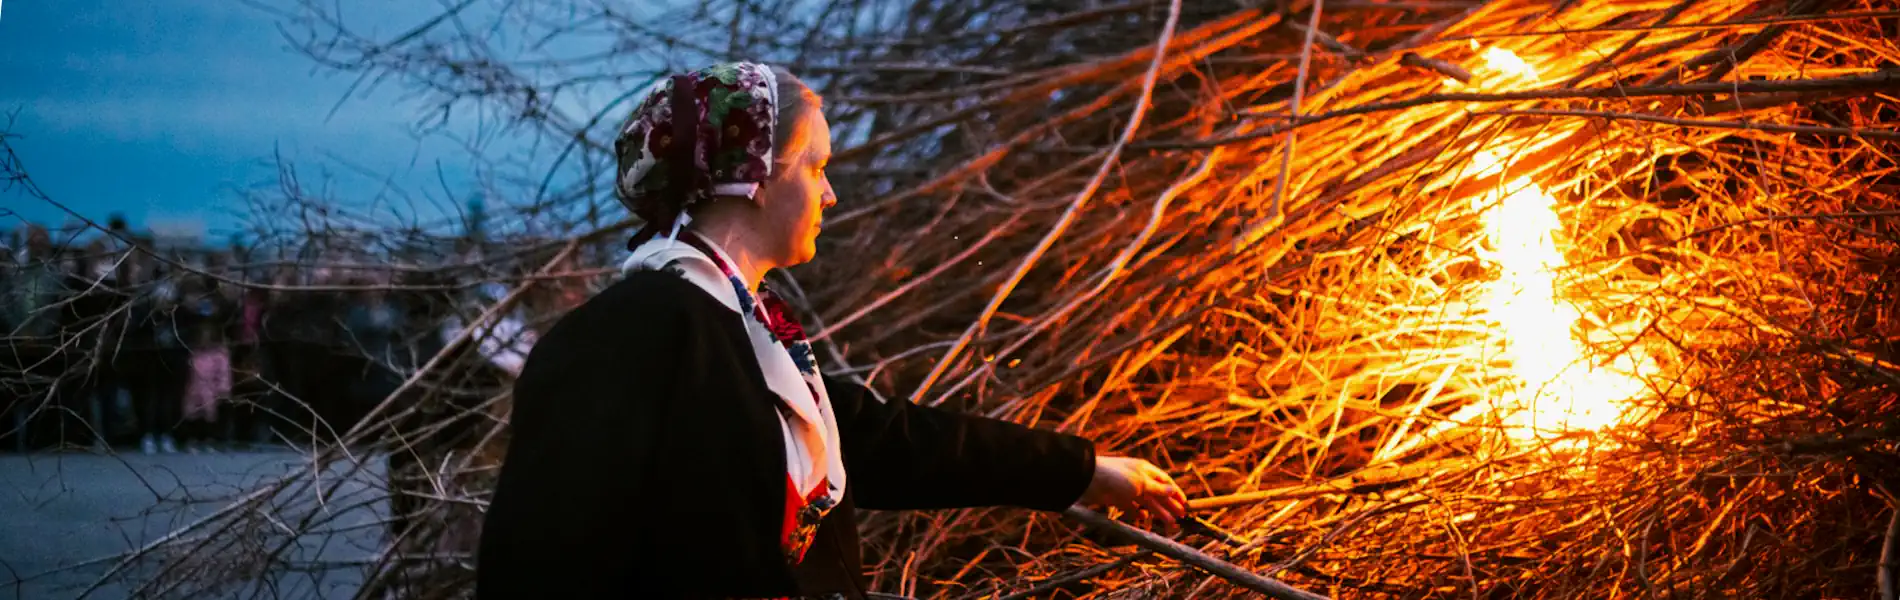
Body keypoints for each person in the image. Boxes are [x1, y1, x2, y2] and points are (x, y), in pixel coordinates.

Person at [475, 62, 1188, 599]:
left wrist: (1083, 470)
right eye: (815, 165)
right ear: (751, 175)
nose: (829, 191)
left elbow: (901, 443)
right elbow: (537, 566)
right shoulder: (626, 337)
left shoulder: (755, 344)